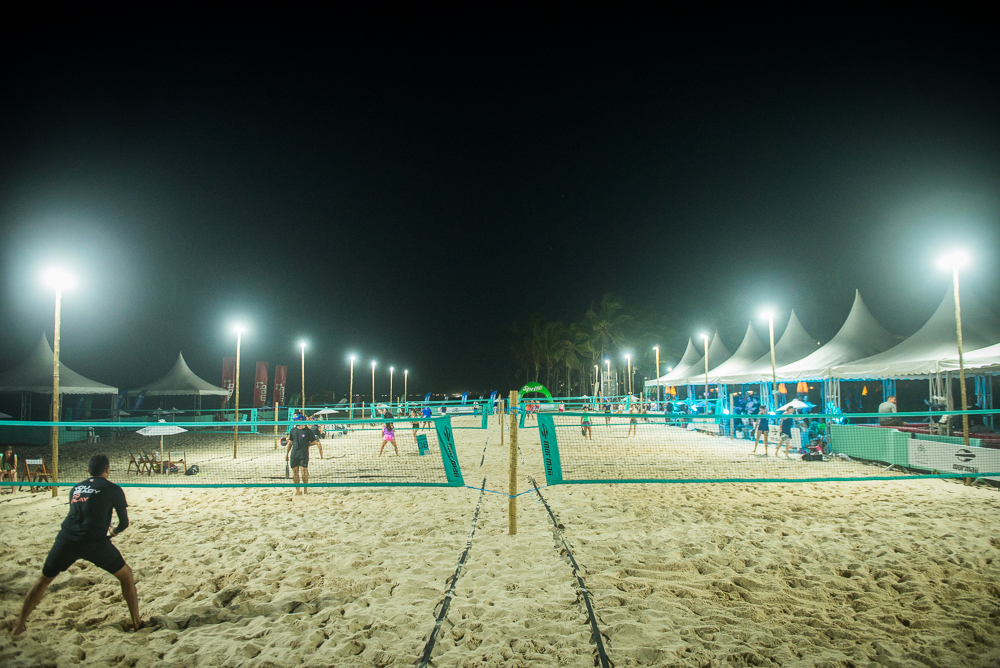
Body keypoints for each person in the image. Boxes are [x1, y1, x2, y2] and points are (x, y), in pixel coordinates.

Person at [12, 454, 140, 635]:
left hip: (67, 539)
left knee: (43, 580)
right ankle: (137, 623)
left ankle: (18, 626)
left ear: (88, 470)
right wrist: (113, 532)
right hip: (94, 543)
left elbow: (82, 512)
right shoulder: (114, 489)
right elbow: (124, 523)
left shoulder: (76, 488)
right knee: (126, 576)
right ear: (107, 470)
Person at [286, 422, 323, 495]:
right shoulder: (293, 430)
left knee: (304, 471)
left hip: (304, 454)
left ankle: (305, 490)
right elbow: (290, 442)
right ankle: (297, 490)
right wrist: (286, 453)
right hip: (294, 453)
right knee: (295, 473)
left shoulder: (308, 431)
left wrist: (307, 445)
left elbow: (314, 442)